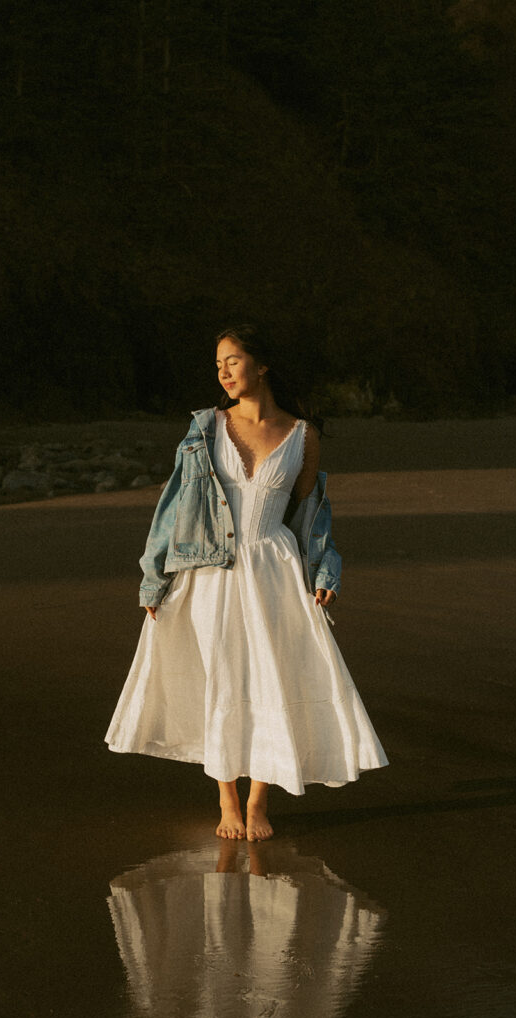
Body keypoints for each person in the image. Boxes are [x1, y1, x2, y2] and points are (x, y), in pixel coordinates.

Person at [105, 325, 388, 841]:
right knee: (221, 678)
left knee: (269, 679)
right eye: (218, 364)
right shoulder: (206, 428)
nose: (223, 372)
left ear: (262, 365)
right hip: (209, 570)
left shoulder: (303, 436)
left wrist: (325, 571)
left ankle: (258, 802)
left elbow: (310, 516)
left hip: (275, 569)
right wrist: (154, 577)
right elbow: (173, 508)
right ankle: (227, 801)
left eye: (232, 360)